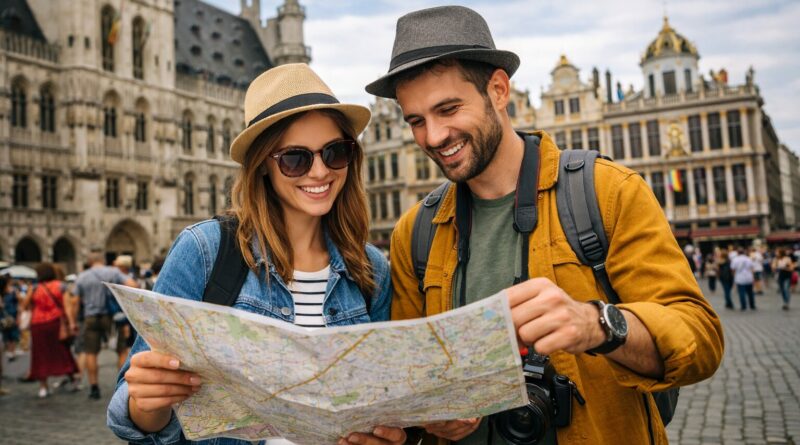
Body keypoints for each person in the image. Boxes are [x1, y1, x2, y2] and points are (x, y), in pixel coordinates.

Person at [368, 6, 723, 444]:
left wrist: (599, 325)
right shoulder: (414, 232)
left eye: (449, 109)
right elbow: (410, 379)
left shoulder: (608, 192)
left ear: (498, 90)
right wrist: (423, 416)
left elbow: (700, 341)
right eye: (417, 121)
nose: (434, 136)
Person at [107, 63, 404, 445]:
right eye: (296, 158)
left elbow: (379, 405)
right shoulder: (204, 250)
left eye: (334, 152)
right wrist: (148, 399)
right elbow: (130, 415)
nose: (319, 172)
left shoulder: (371, 268)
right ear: (264, 164)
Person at [74, 252, 138, 400]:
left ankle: (94, 387)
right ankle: (121, 386)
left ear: (90, 262)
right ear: (103, 261)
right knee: (121, 350)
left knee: (91, 353)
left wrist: (73, 321)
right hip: (114, 316)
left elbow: (75, 300)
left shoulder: (83, 276)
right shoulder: (113, 272)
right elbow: (133, 285)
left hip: (91, 317)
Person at [20, 263, 79, 398]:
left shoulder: (34, 288)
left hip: (38, 325)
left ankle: (43, 387)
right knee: (63, 352)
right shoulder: (60, 286)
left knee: (40, 356)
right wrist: (71, 323)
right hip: (56, 323)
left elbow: (25, 305)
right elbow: (67, 306)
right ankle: (73, 380)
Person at [112, 254, 137, 369]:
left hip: (125, 318)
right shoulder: (133, 277)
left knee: (123, 349)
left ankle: (123, 379)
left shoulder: (123, 279)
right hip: (130, 317)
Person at [1, 274, 20, 361]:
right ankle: (10, 351)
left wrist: (18, 316)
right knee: (6, 334)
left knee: (11, 334)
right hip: (5, 315)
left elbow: (18, 302)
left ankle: (12, 351)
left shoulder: (13, 291)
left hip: (11, 314)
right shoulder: (3, 292)